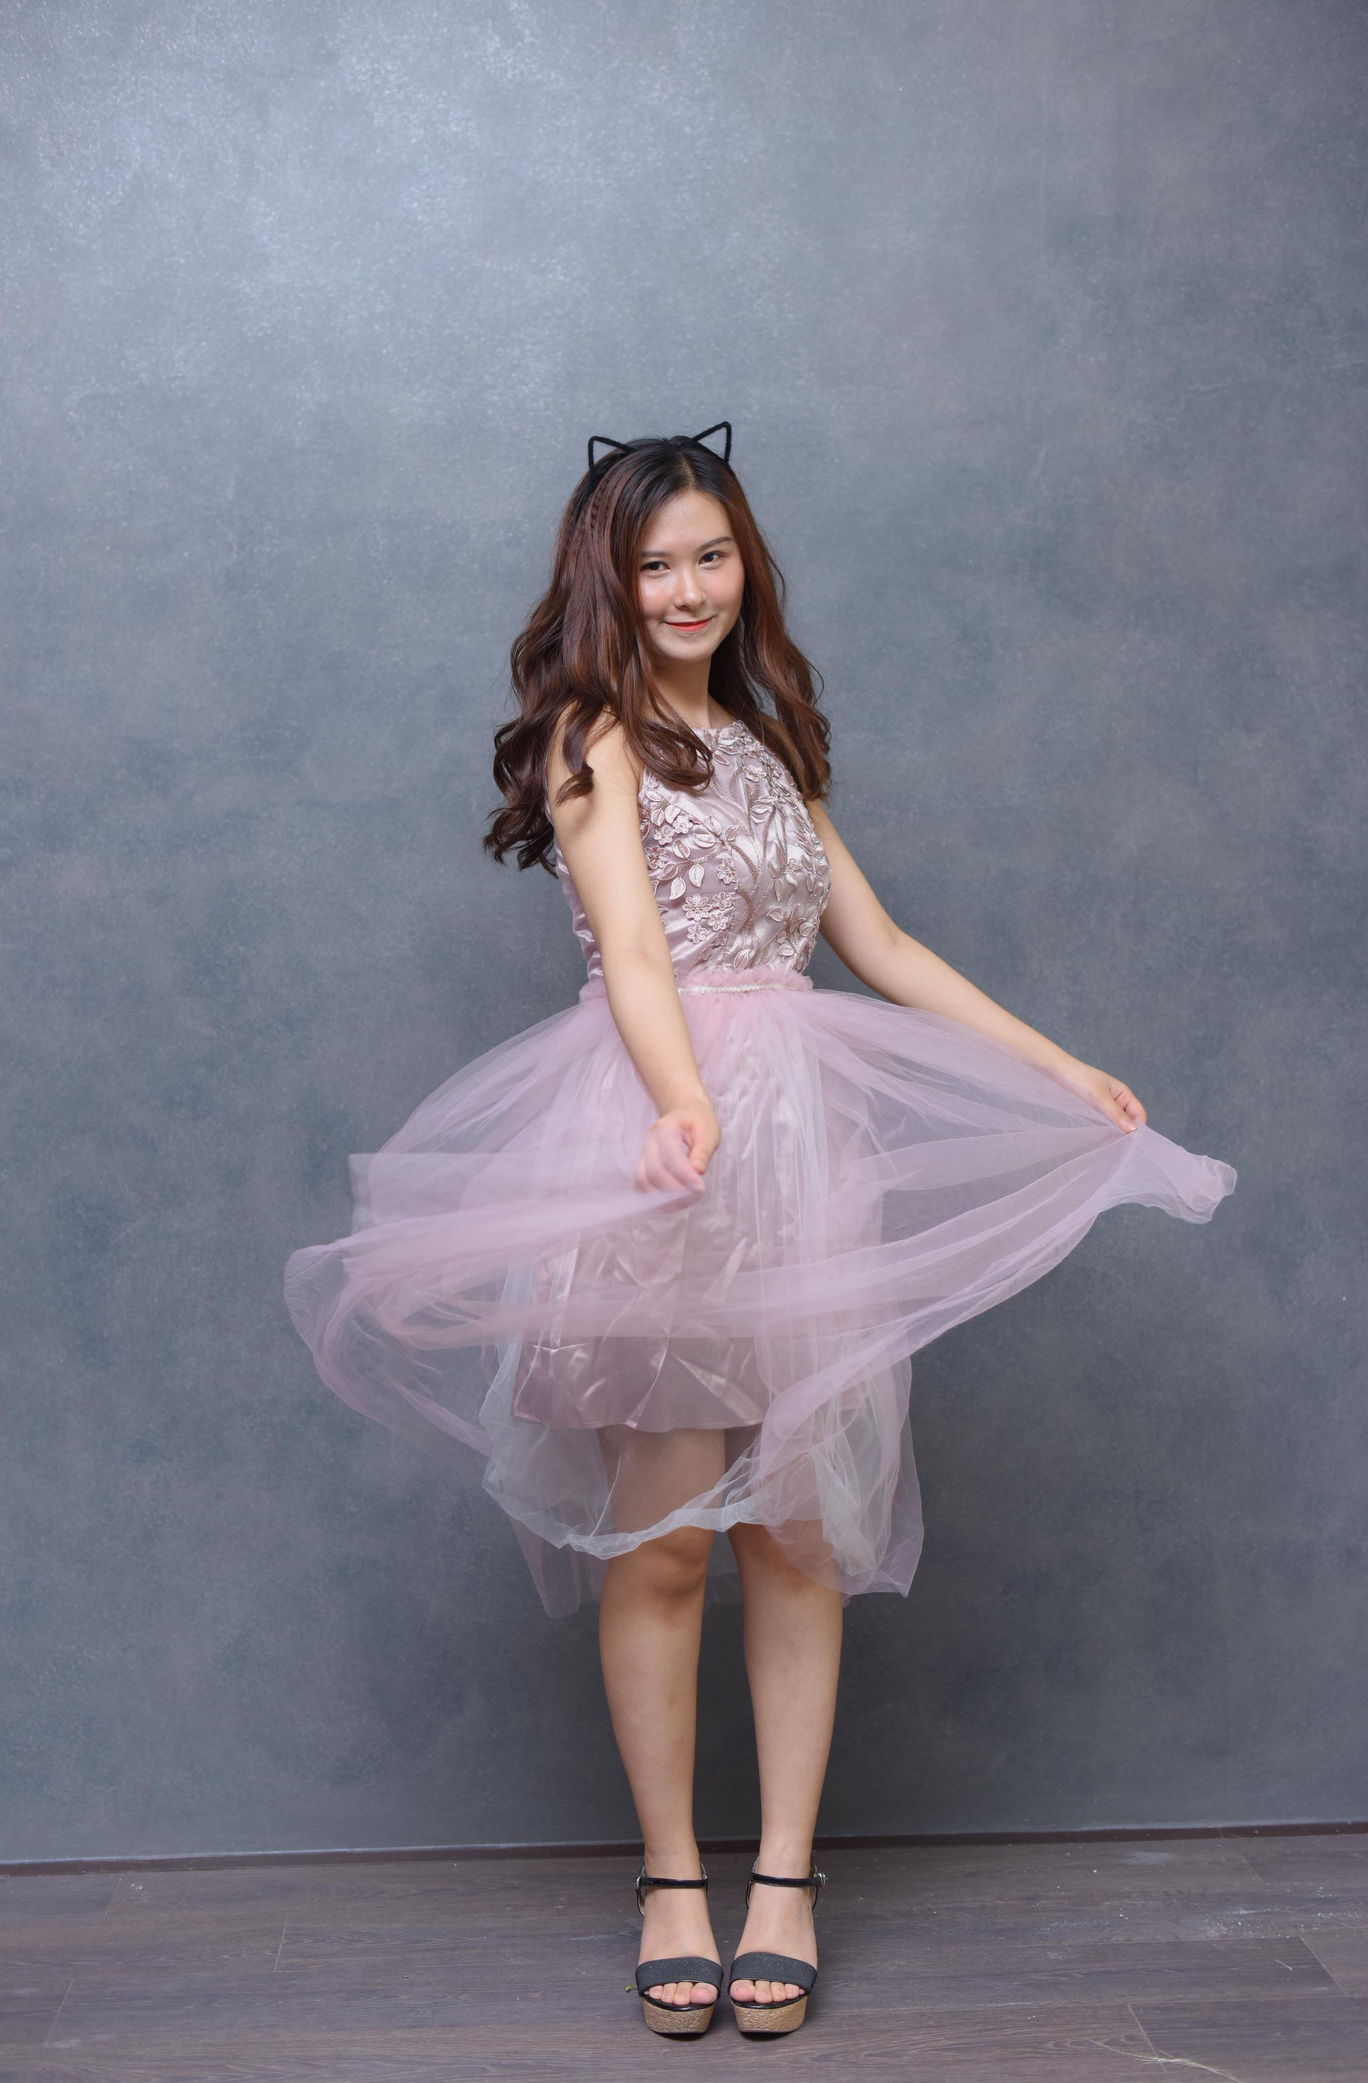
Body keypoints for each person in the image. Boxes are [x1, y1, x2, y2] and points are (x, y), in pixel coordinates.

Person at [284, 423, 1236, 2040]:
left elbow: (880, 944)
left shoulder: (768, 746)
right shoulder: (592, 737)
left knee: (799, 1531)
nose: (687, 588)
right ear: (608, 582)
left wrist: (1053, 1063)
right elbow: (634, 954)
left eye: (711, 556)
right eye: (654, 564)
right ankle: (673, 1878)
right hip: (670, 1161)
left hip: (799, 1174)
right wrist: (679, 1103)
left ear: (746, 565)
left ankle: (783, 1877)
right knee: (662, 1541)